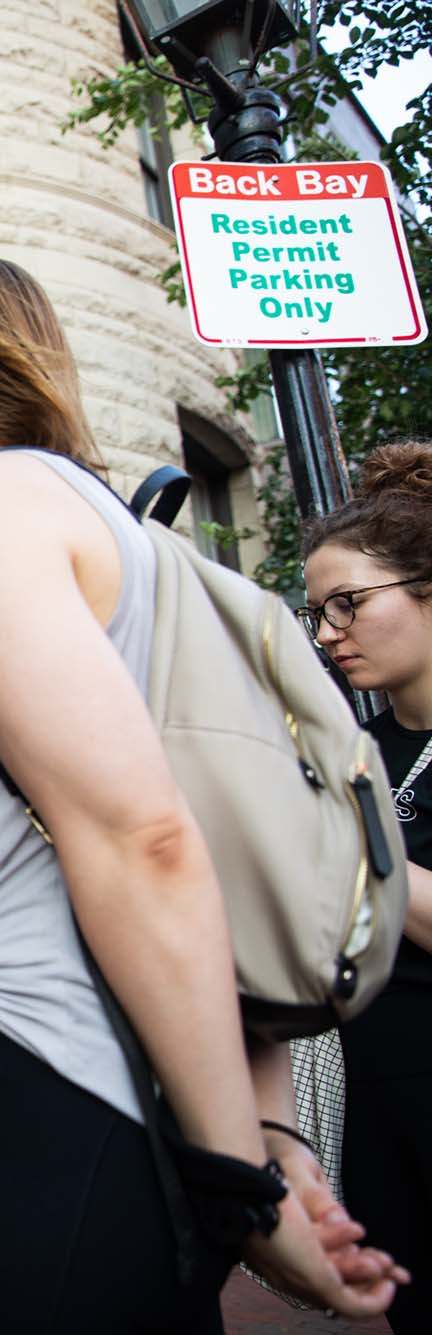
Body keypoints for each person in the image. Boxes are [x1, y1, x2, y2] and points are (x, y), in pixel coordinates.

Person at [0, 255, 404, 1331]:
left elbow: (142, 840)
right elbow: (222, 846)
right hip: (135, 1103)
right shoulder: (121, 535)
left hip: (47, 1082)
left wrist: (243, 1183)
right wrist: (263, 1145)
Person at [300, 441, 432, 1335]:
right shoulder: (363, 750)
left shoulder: (356, 779)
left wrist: (352, 824)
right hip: (380, 1113)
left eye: (348, 602)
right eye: (315, 612)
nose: (325, 632)